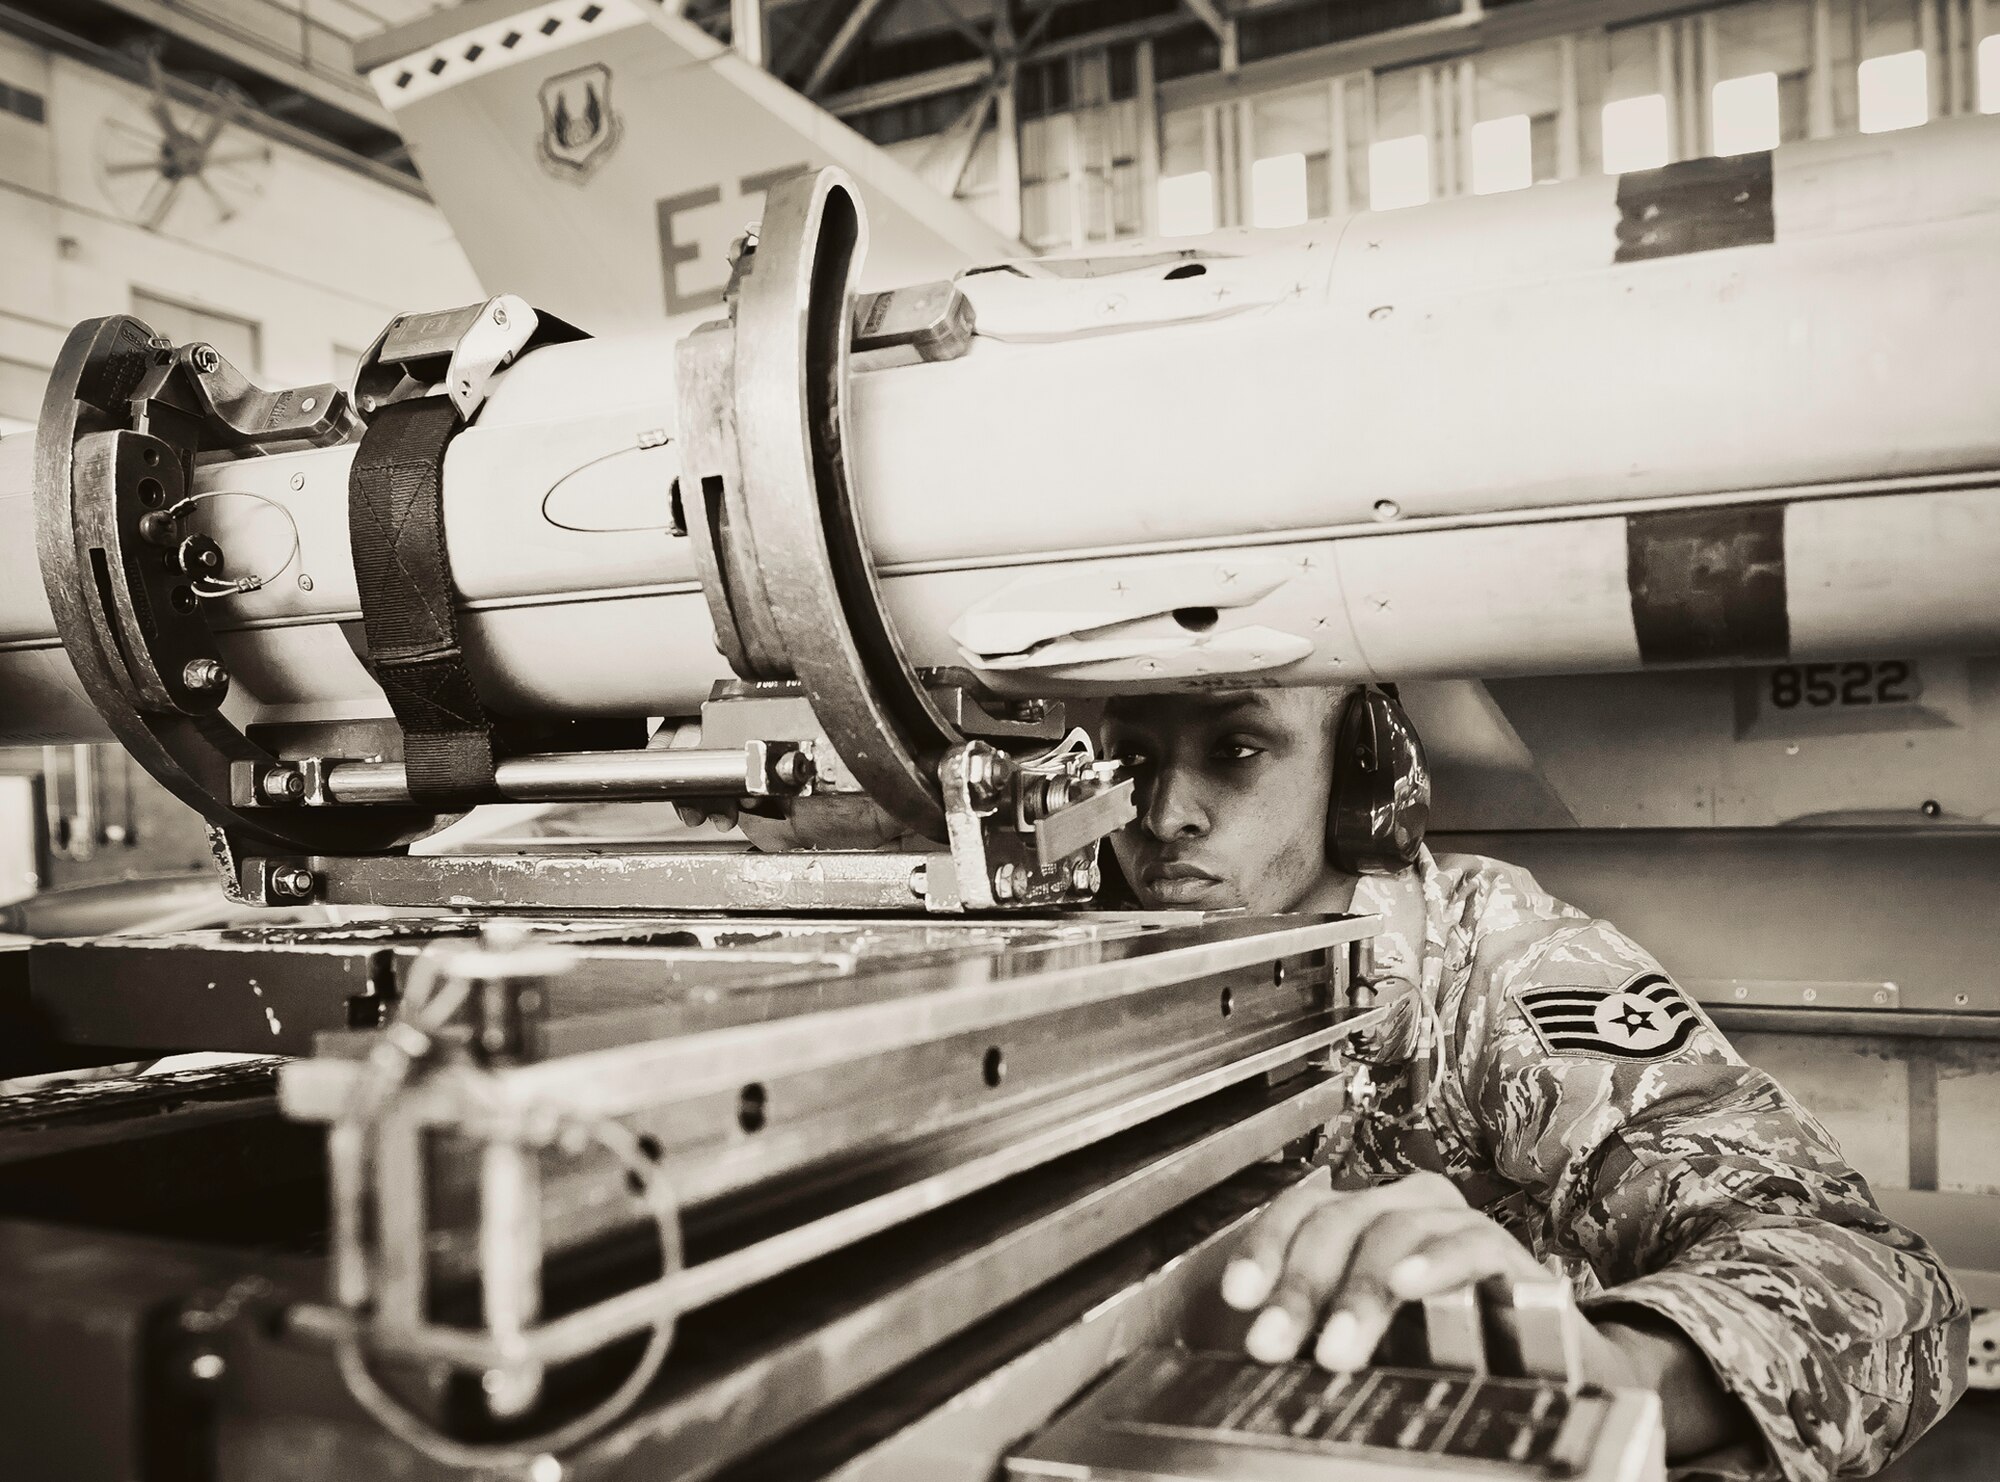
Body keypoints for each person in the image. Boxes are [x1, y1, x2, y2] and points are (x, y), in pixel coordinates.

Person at [1099, 685, 1968, 1482]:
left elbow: (1874, 1281)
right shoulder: (1079, 968)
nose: (1164, 812)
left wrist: (1616, 1373)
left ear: (1366, 774)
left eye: (1236, 749)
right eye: (1130, 761)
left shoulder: (1499, 959)